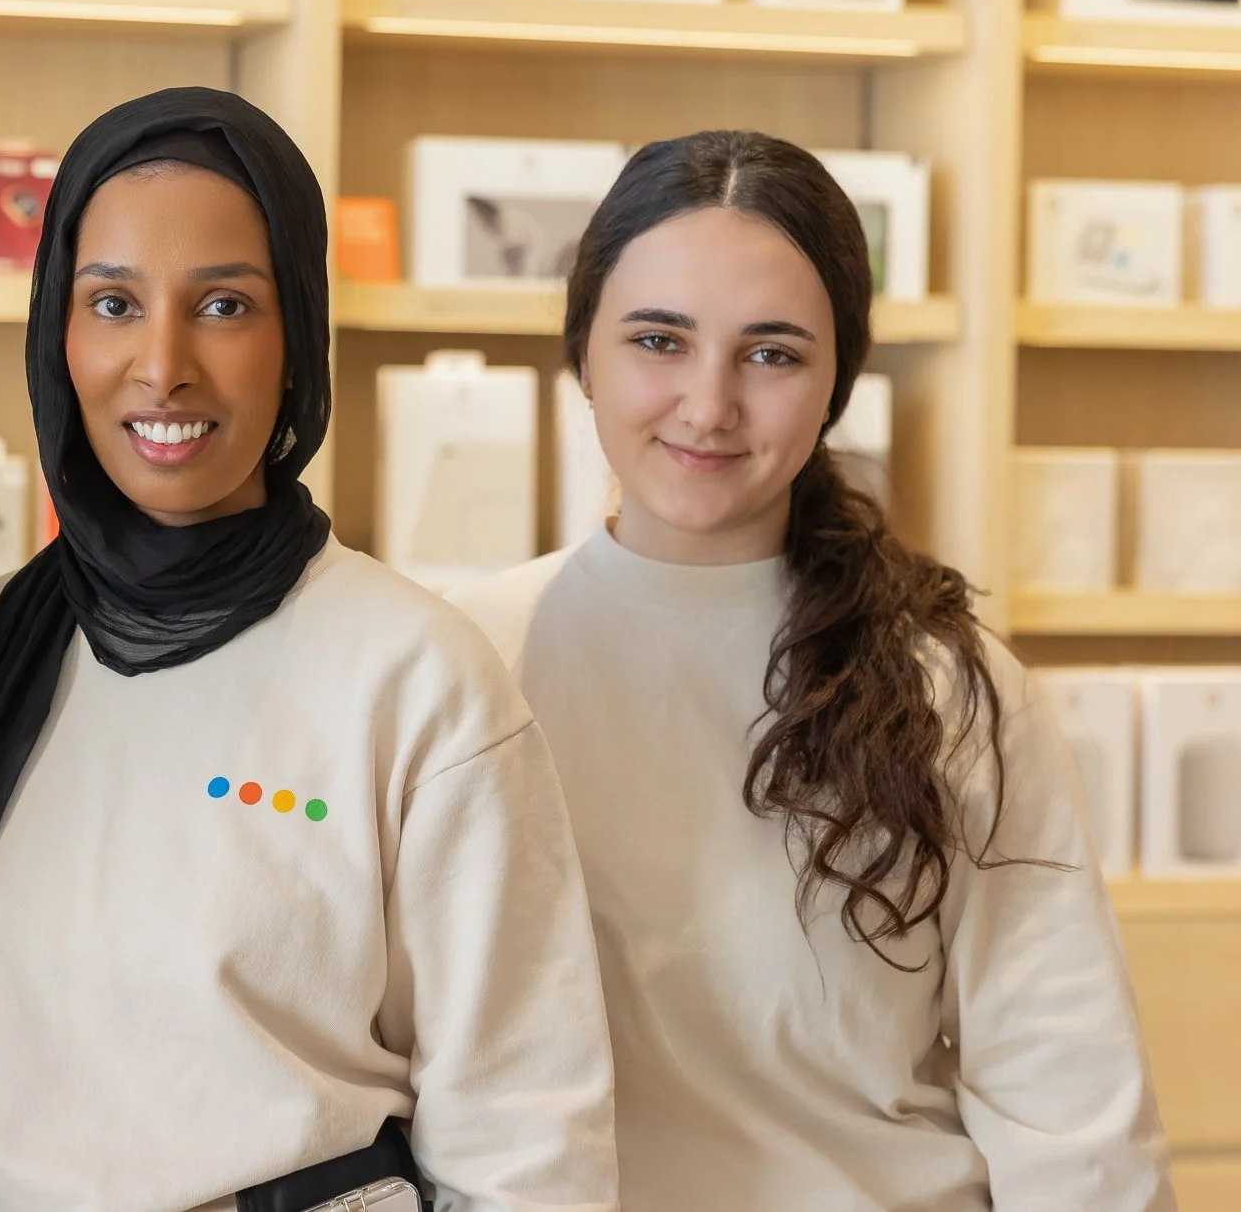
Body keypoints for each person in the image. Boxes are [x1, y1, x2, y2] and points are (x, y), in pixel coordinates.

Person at [0, 87, 618, 1212]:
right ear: (57, 336)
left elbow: (525, 1140)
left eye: (222, 305)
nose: (162, 365)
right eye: (113, 302)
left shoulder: (415, 679)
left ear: (296, 337)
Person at [450, 129, 1176, 1211]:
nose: (708, 405)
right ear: (583, 355)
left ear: (835, 382)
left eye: (772, 354)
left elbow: (1069, 1102)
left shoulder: (947, 685)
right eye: (658, 340)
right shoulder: (460, 664)